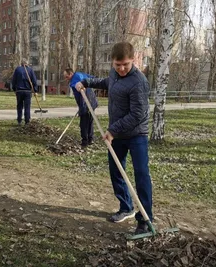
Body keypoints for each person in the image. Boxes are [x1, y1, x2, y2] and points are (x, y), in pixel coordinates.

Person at [75, 42, 152, 235]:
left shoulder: (139, 81)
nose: (122, 68)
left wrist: (112, 131)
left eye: (125, 64)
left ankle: (144, 219)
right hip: (117, 134)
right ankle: (126, 207)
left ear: (133, 60)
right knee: (116, 171)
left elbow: (137, 114)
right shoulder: (114, 75)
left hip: (136, 136)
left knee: (141, 176)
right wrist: (86, 82)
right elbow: (106, 83)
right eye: (117, 65)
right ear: (112, 63)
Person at [63, 68, 98, 148]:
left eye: (66, 76)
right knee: (90, 121)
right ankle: (90, 139)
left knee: (84, 123)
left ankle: (85, 141)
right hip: (92, 100)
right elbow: (92, 78)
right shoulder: (81, 74)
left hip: (85, 101)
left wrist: (82, 108)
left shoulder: (75, 80)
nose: (66, 78)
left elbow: (80, 89)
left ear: (71, 73)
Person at [11, 58, 38, 125]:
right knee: (27, 106)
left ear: (21, 63)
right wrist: (35, 90)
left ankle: (19, 120)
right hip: (27, 91)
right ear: (27, 63)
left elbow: (14, 80)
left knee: (19, 106)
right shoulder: (30, 70)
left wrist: (14, 89)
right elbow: (34, 80)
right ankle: (27, 121)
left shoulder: (17, 69)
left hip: (19, 91)